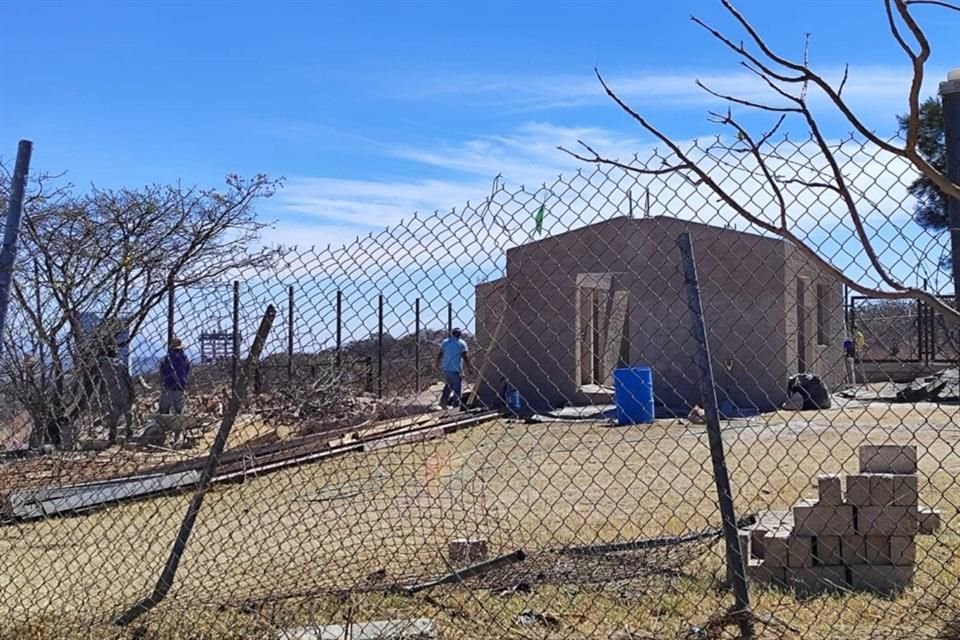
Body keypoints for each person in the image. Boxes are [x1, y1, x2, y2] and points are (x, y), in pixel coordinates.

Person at [436, 328, 471, 410]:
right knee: (457, 388)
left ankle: (443, 402)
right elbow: (465, 356)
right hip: (456, 368)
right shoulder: (461, 343)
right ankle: (456, 405)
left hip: (446, 368)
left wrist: (437, 364)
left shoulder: (445, 342)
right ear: (460, 334)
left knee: (449, 385)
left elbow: (440, 354)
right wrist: (469, 367)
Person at [159, 338, 191, 415]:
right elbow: (187, 370)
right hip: (180, 386)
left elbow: (161, 371)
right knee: (179, 412)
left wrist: (162, 382)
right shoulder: (185, 358)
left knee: (164, 411)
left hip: (168, 386)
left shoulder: (167, 358)